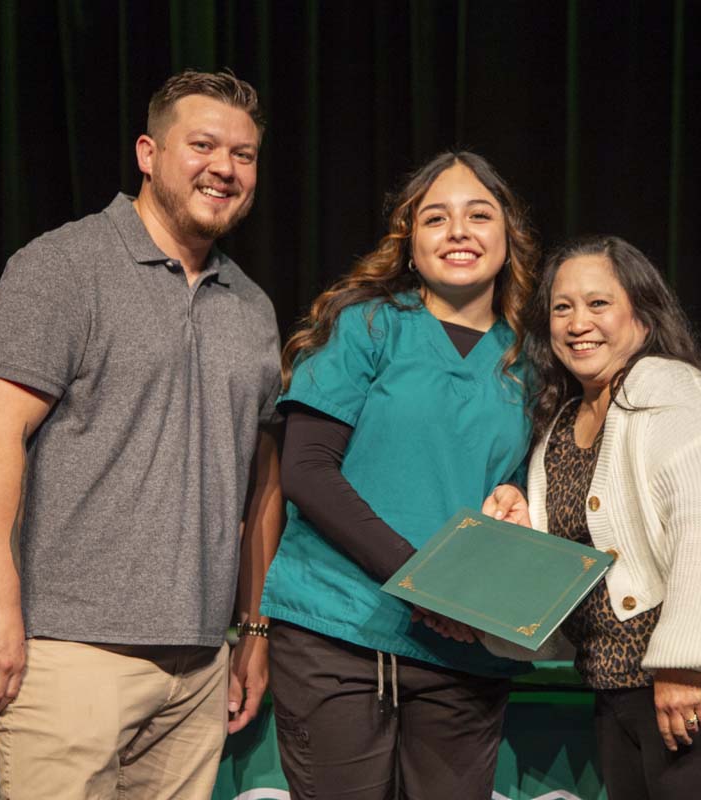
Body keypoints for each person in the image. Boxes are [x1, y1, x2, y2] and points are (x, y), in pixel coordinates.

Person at [0, 68, 283, 799]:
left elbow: (262, 482)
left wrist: (251, 633)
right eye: (202, 145)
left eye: (244, 154)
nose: (224, 168)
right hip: (67, 651)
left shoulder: (253, 308)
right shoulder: (62, 266)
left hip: (198, 665)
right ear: (148, 153)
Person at [259, 150, 538, 800]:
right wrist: (422, 581)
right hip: (340, 635)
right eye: (436, 218)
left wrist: (517, 501)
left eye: (478, 215)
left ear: (508, 238)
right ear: (410, 245)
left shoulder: (529, 361)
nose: (459, 231)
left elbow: (522, 490)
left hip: (461, 654)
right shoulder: (368, 325)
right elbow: (305, 470)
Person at [487, 236, 701, 798]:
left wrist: (684, 667)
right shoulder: (561, 425)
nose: (578, 322)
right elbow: (580, 561)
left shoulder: (675, 393)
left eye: (599, 303)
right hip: (618, 688)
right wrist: (519, 528)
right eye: (562, 307)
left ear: (643, 318)